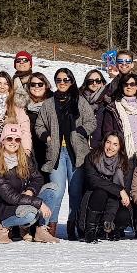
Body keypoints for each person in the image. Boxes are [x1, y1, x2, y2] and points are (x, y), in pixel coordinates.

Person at [37, 68, 95, 240]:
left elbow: (92, 121)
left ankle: (74, 224)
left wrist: (80, 131)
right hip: (56, 153)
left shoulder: (80, 101)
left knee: (76, 191)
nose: (62, 83)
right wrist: (46, 137)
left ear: (71, 81)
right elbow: (39, 125)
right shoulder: (48, 103)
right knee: (57, 190)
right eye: (59, 80)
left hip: (77, 153)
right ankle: (51, 226)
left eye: (66, 79)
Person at [0, 124, 59, 243]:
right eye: (9, 138)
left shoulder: (23, 157)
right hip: (3, 205)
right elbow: (9, 196)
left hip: (24, 198)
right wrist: (38, 203)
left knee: (51, 190)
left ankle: (40, 230)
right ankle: (0, 227)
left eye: (17, 139)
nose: (13, 142)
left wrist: (30, 190)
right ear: (3, 141)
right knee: (30, 214)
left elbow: (38, 178)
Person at [76, 132, 132, 242]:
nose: (110, 147)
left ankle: (110, 229)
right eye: (108, 142)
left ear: (120, 147)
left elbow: (126, 188)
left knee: (124, 214)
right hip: (94, 200)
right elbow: (94, 181)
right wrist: (119, 190)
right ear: (104, 143)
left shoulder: (124, 163)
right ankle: (90, 230)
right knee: (101, 192)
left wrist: (122, 192)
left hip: (113, 203)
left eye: (115, 144)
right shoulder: (92, 157)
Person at [98, 72, 137, 164]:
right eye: (126, 84)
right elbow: (108, 131)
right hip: (123, 154)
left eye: (132, 84)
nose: (129, 87)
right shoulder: (113, 108)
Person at [24, 71, 53, 168]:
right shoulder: (22, 104)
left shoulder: (53, 103)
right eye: (33, 84)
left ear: (46, 85)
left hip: (48, 149)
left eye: (40, 84)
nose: (36, 87)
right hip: (28, 149)